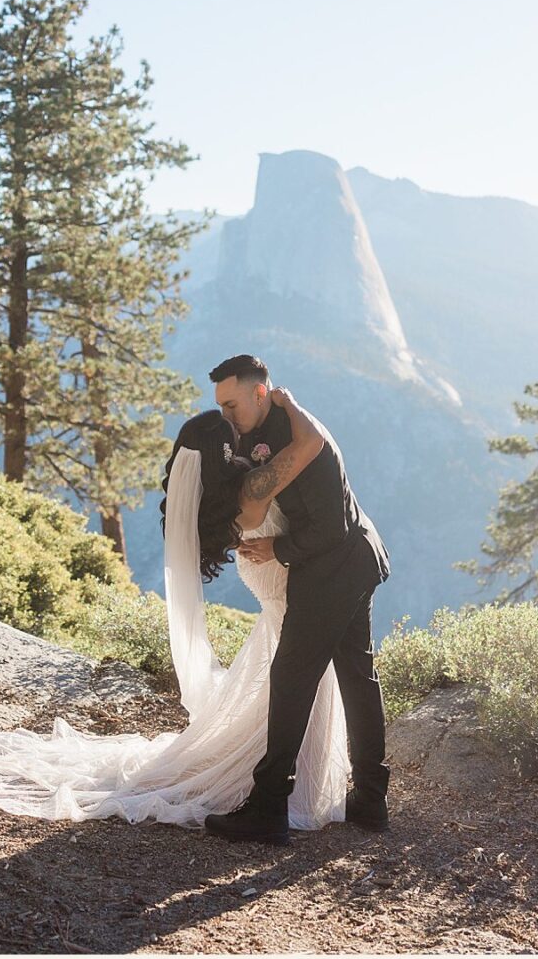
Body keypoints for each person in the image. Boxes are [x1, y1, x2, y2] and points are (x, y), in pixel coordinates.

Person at [0, 382, 356, 833]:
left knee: (294, 676)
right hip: (278, 579)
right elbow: (308, 446)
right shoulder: (253, 492)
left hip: (270, 578)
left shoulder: (231, 495)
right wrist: (288, 404)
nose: (239, 434)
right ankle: (289, 785)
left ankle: (293, 776)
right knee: (300, 677)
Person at [203, 354, 393, 845]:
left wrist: (276, 549)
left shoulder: (300, 430)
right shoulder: (264, 426)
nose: (226, 414)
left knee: (291, 677)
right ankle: (371, 801)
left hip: (335, 566)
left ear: (260, 393)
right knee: (357, 673)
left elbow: (331, 528)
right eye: (219, 405)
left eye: (231, 403)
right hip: (353, 561)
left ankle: (268, 809)